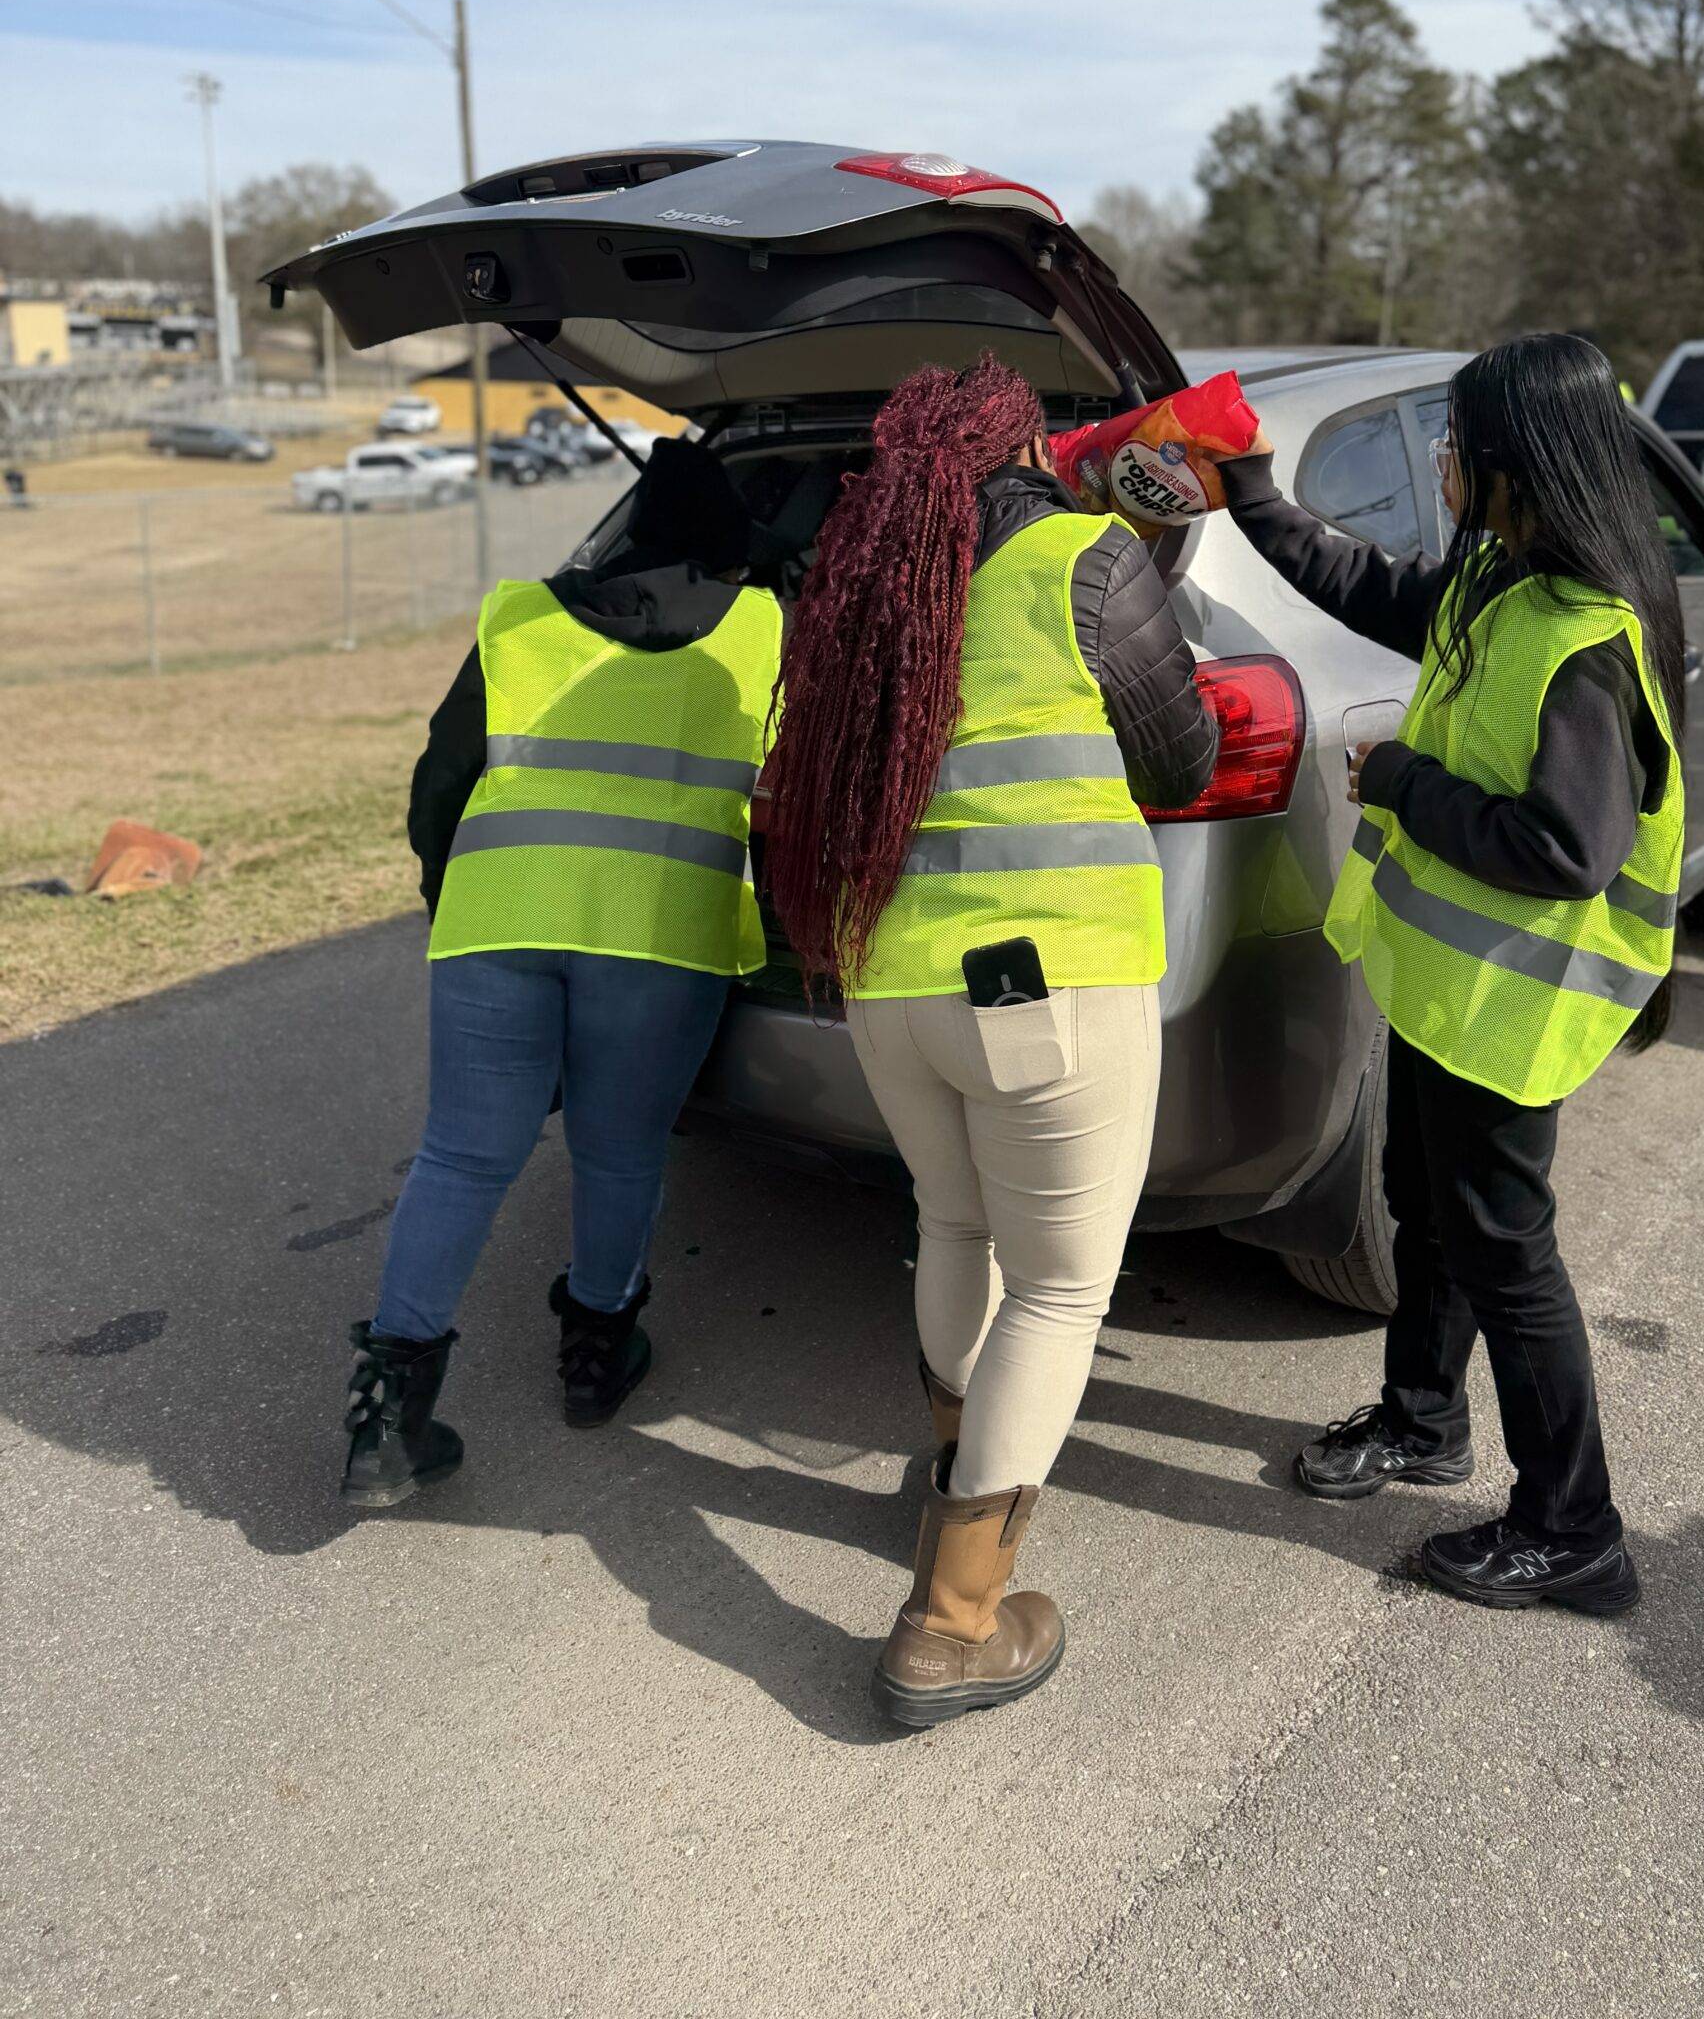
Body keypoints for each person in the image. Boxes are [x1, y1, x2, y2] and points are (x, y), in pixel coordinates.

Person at [765, 354, 1216, 1724]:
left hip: (888, 984)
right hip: (1045, 986)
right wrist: (1160, 558)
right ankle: (956, 1621)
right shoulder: (1085, 560)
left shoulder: (863, 600)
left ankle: (956, 1474)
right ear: (1025, 449)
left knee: (956, 1229)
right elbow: (1183, 759)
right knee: (1062, 1291)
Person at [1219, 333, 1685, 1616]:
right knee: (1426, 1211)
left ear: (1515, 465)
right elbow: (1367, 586)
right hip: (1445, 988)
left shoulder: (1586, 638)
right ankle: (1424, 1420)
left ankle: (1574, 1529)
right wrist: (1251, 494)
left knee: (1507, 1257)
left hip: (1516, 1007)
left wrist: (1402, 781)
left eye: (1457, 443)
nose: (1441, 460)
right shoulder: (1498, 576)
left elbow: (1567, 850)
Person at [339, 438, 781, 1506]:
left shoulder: (519, 619)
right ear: (727, 553)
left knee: (460, 1156)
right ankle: (595, 1357)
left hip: (498, 918)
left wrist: (456, 895)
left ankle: (386, 1420)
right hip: (661, 933)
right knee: (618, 1154)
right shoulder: (767, 628)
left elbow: (441, 783)